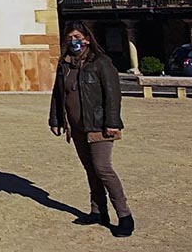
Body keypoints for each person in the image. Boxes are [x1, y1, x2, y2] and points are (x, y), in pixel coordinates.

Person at [49, 21, 134, 238]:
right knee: (90, 169)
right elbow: (59, 94)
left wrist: (112, 122)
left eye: (77, 37)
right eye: (69, 38)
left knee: (103, 168)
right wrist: (56, 119)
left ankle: (124, 216)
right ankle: (98, 211)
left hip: (98, 125)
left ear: (87, 38)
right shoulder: (65, 64)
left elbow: (113, 94)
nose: (73, 42)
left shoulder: (101, 63)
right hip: (76, 127)